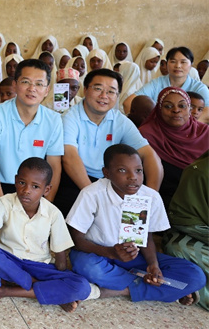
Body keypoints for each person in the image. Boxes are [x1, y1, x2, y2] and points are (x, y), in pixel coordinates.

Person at [67, 145, 205, 306]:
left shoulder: (150, 197)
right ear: (106, 173)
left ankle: (117, 290)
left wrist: (153, 266)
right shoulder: (92, 194)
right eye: (122, 170)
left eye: (138, 170)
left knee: (196, 276)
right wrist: (111, 253)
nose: (133, 177)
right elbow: (77, 239)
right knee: (87, 267)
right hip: (98, 253)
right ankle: (160, 287)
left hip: (134, 258)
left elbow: (147, 238)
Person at [0, 158, 91, 311]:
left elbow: (61, 259)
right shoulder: (3, 203)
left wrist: (61, 277)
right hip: (8, 259)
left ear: (46, 190)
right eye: (22, 183)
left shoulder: (53, 213)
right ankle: (47, 291)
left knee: (82, 287)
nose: (26, 190)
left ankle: (7, 290)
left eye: (35, 186)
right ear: (15, 180)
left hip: (39, 265)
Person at [58, 68, 163, 216]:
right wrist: (94, 196)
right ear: (85, 90)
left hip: (110, 180)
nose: (104, 96)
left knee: (133, 215)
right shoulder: (70, 117)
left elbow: (149, 155)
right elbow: (69, 157)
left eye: (111, 91)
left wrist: (150, 197)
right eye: (98, 89)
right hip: (76, 180)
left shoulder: (119, 120)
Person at [0, 59, 64, 216]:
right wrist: (2, 206)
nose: (32, 89)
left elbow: (54, 166)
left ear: (47, 90)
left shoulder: (53, 119)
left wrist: (46, 206)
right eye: (25, 82)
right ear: (15, 85)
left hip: (31, 188)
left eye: (39, 84)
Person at [138, 87, 209, 209]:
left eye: (182, 106)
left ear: (189, 109)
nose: (176, 110)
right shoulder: (146, 135)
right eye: (168, 106)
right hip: (163, 203)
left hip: (202, 202)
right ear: (159, 109)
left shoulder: (205, 133)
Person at [163, 152, 209, 311]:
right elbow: (183, 219)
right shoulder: (200, 173)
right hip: (194, 231)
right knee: (178, 249)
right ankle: (193, 289)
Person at [124, 47, 209, 115]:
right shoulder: (156, 83)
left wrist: (187, 127)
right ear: (167, 63)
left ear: (191, 65)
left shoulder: (199, 88)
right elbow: (128, 103)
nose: (178, 66)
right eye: (173, 61)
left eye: (183, 62)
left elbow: (207, 112)